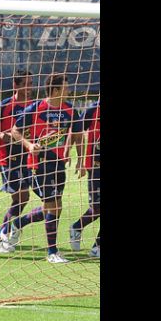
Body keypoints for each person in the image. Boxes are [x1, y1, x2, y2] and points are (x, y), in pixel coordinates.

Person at [10, 72, 81, 264]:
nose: (69, 91)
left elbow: (77, 133)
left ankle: (18, 223)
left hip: (58, 163)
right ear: (56, 90)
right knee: (53, 206)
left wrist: (78, 157)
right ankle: (52, 252)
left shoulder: (70, 110)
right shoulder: (37, 108)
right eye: (66, 88)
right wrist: (29, 145)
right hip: (39, 163)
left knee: (54, 208)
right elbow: (15, 130)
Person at [0, 69, 35, 253]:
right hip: (8, 158)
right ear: (16, 85)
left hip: (28, 158)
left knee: (23, 198)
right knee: (21, 196)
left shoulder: (34, 106)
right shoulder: (5, 105)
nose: (29, 87)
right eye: (26, 84)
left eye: (31, 83)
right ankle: (4, 235)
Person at [69, 99, 100, 258]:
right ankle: (77, 227)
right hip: (95, 167)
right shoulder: (93, 110)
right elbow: (76, 132)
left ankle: (97, 248)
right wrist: (79, 160)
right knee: (96, 209)